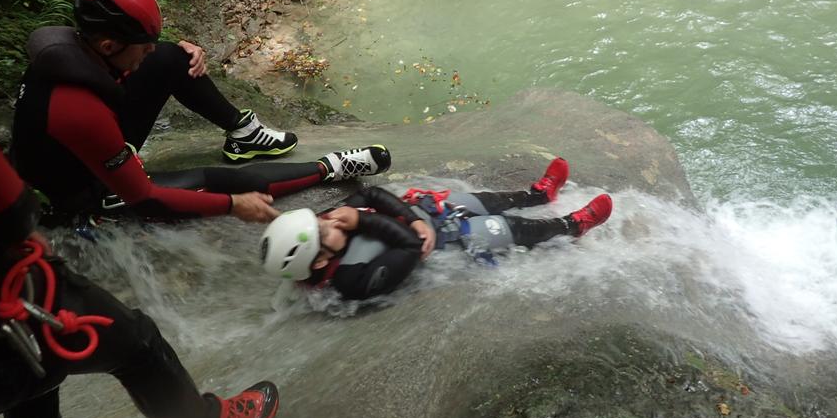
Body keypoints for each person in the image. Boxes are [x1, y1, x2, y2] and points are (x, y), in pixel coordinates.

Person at [0, 13, 279, 418]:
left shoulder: (62, 73)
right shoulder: (76, 106)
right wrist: (15, 224)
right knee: (133, 342)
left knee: (36, 379)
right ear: (105, 46)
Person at [10, 0, 390, 224]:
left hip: (83, 151)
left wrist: (173, 50)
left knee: (172, 58)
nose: (148, 51)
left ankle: (242, 134)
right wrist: (232, 205)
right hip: (87, 191)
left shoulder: (77, 51)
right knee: (224, 180)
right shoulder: (77, 110)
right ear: (109, 44)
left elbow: (138, 61)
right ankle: (330, 168)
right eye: (142, 45)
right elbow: (145, 197)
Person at [260, 158, 614, 302]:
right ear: (321, 262)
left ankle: (536, 195)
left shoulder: (323, 227)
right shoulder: (351, 281)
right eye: (324, 230)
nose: (330, 219)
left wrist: (412, 217)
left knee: (483, 200)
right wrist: (365, 220)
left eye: (320, 218)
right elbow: (412, 249)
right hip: (443, 246)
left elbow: (369, 194)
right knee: (508, 228)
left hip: (420, 217)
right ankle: (573, 225)